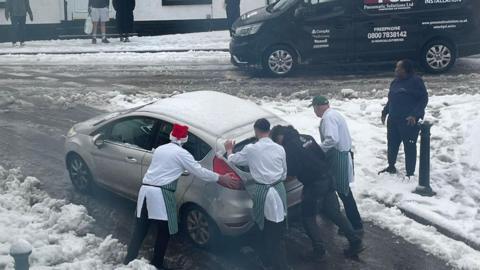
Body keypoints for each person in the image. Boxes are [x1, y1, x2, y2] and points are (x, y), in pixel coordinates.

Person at [123, 123, 238, 269]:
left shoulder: (160, 149)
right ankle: (156, 264)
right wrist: (221, 178)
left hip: (145, 191)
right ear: (185, 139)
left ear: (171, 136)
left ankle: (128, 260)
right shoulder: (182, 154)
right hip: (161, 194)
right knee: (164, 231)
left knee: (141, 228)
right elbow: (199, 171)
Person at [271, 125, 365, 259]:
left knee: (307, 217)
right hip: (328, 177)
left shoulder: (289, 148)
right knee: (334, 212)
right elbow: (321, 154)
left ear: (280, 137)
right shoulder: (306, 137)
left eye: (276, 142)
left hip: (315, 185)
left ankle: (318, 249)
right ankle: (355, 241)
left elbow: (291, 173)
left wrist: (277, 180)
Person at [224, 118, 291, 270]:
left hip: (264, 193)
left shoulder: (251, 149)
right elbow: (284, 174)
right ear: (269, 130)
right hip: (279, 190)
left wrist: (229, 150)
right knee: (277, 225)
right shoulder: (280, 149)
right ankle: (275, 257)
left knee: (267, 227)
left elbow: (234, 160)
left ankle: (275, 263)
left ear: (256, 131)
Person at [310, 96, 364, 234]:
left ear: (318, 107)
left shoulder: (328, 118)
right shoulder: (334, 114)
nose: (315, 112)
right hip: (342, 154)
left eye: (314, 108)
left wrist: (318, 150)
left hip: (338, 156)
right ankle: (343, 219)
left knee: (343, 191)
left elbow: (332, 139)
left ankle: (355, 224)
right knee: (338, 188)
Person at [379, 59, 429, 178]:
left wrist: (415, 115)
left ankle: (410, 173)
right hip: (393, 119)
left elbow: (423, 99)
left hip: (408, 121)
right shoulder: (395, 82)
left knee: (409, 146)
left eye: (398, 68)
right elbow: (391, 99)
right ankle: (391, 166)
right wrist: (385, 112)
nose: (396, 70)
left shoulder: (416, 81)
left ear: (405, 70)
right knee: (392, 144)